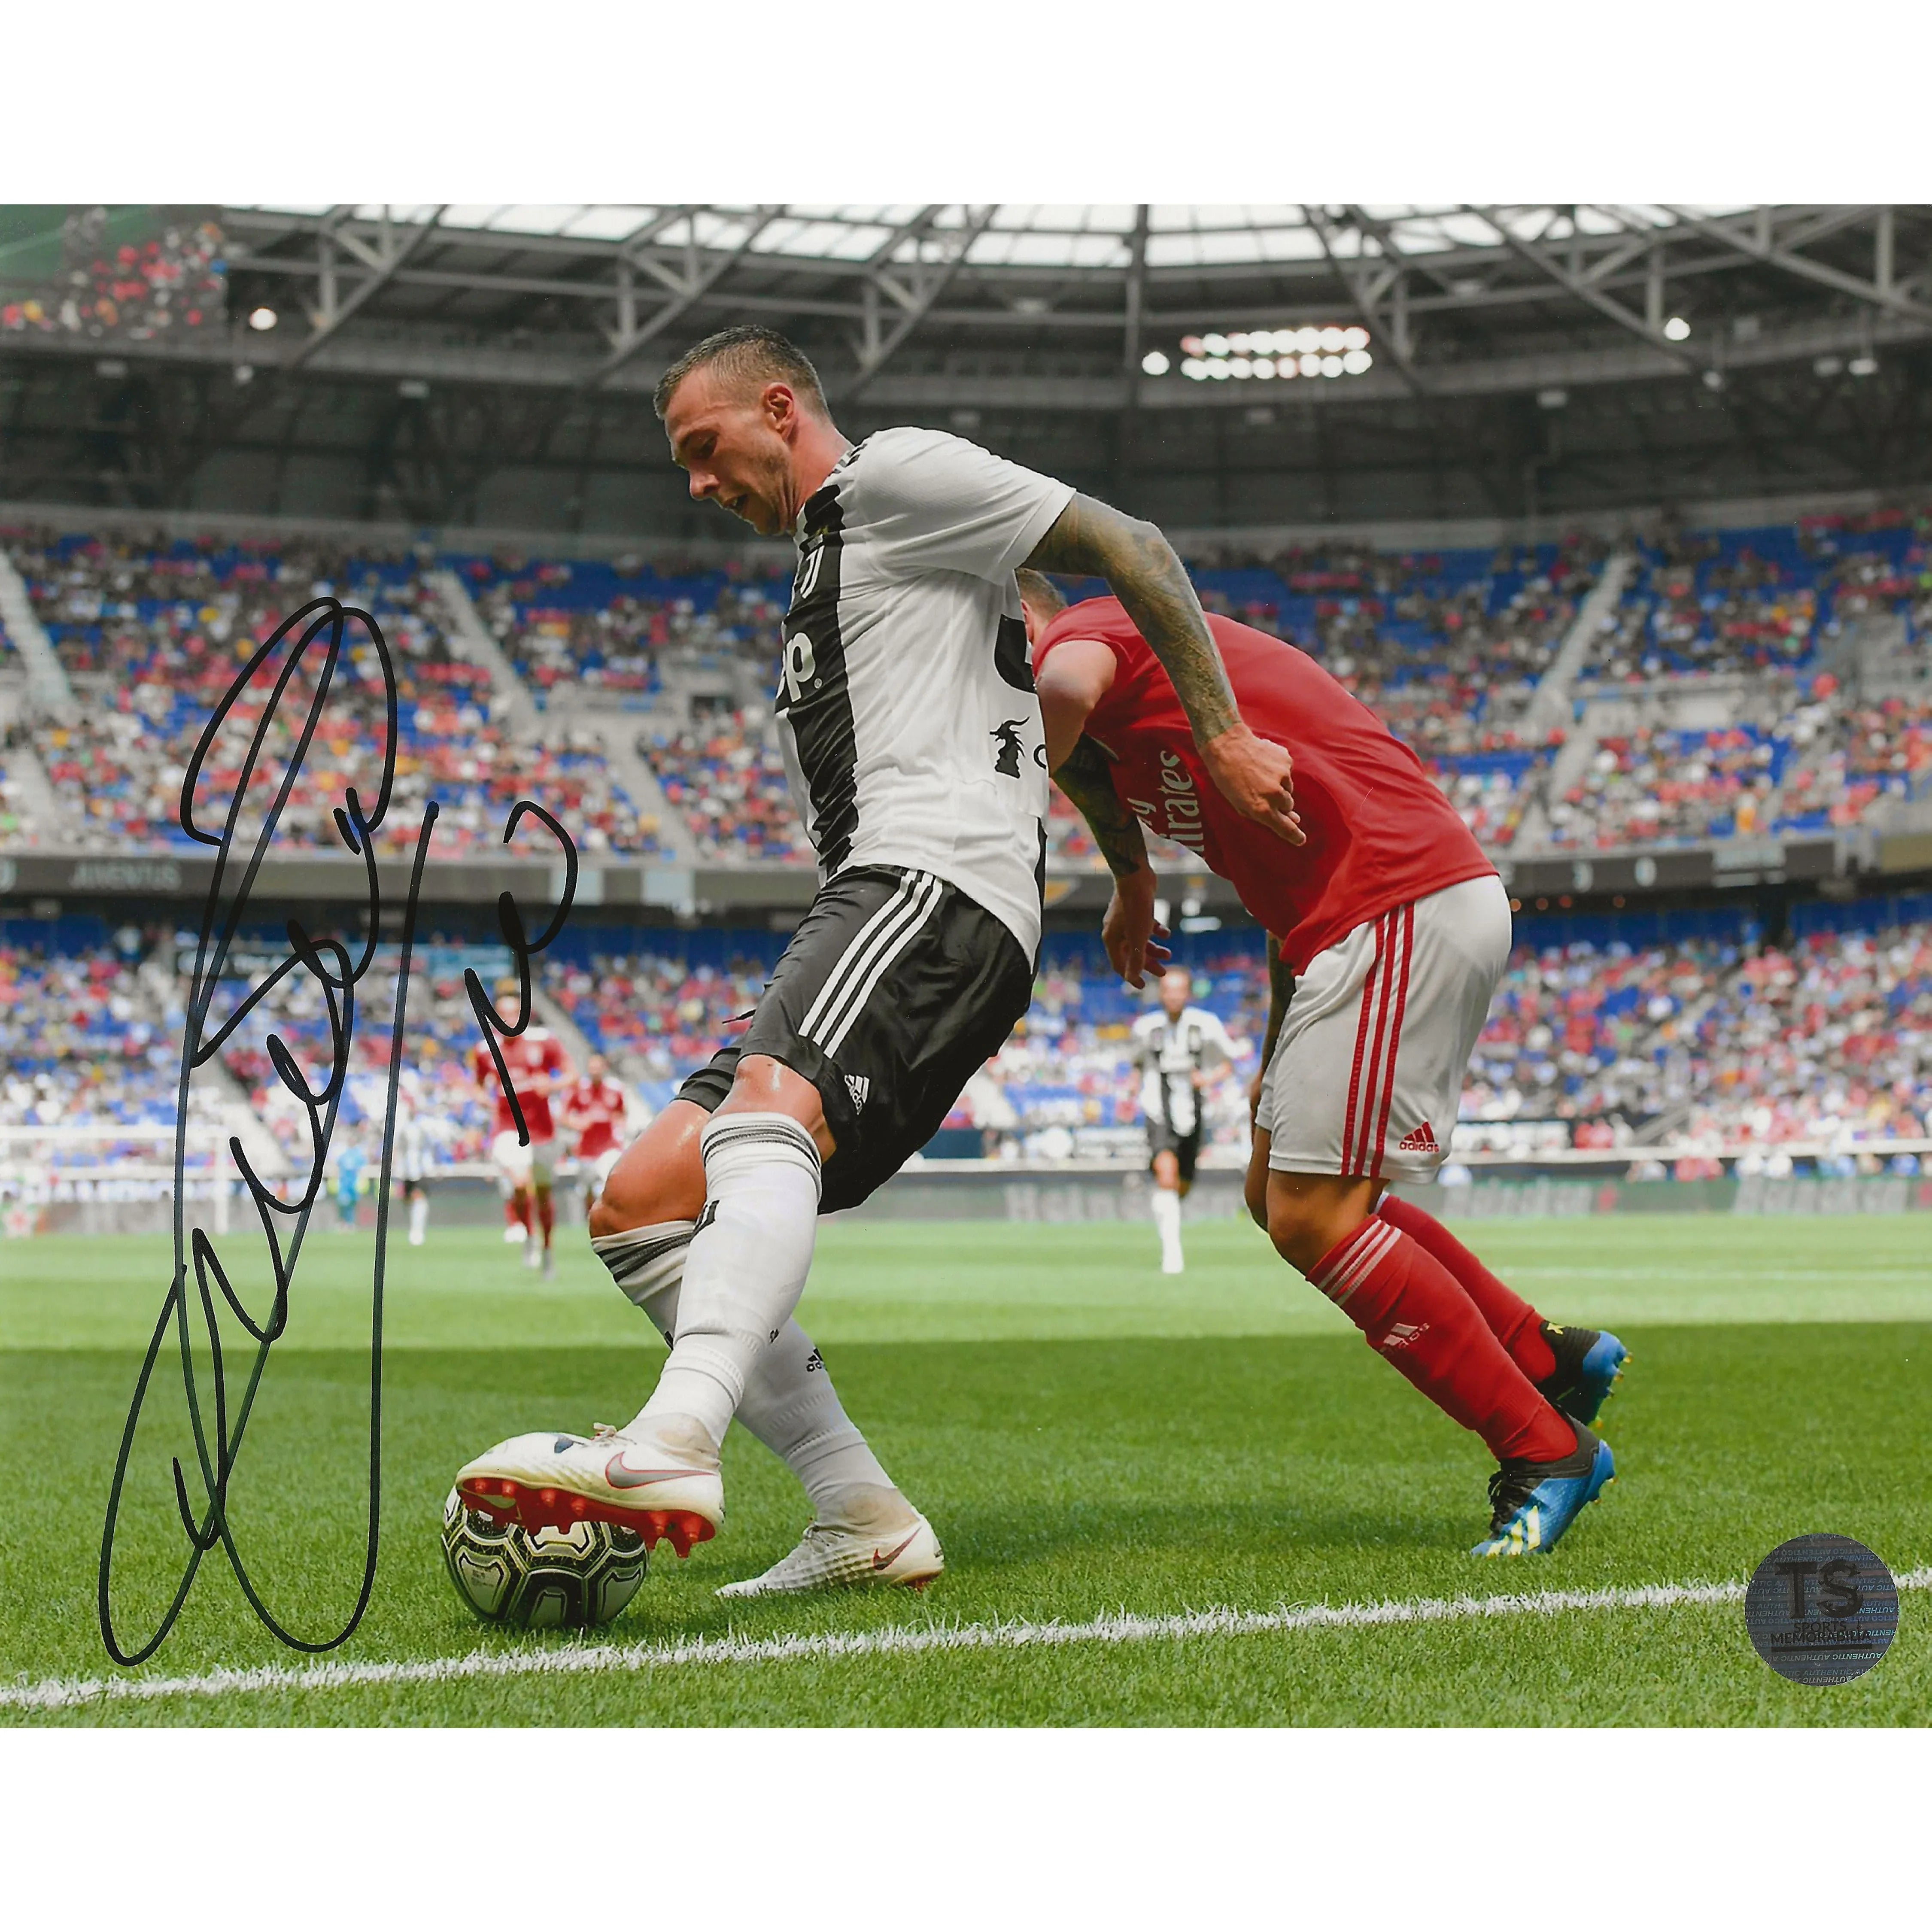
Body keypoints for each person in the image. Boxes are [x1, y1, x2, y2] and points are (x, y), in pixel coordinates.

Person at [456, 323, 1302, 1588]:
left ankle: (677, 1432)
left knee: (765, 1112)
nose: (696, 483)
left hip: (930, 886)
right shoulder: (850, 560)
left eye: (706, 449)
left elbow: (1132, 547)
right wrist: (1127, 874)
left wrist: (1223, 738)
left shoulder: (893, 480)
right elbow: (1045, 703)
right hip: (885, 899)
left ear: (781, 409)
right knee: (639, 1203)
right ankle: (862, 1514)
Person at [1019, 568, 1629, 1558]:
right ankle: (1543, 1353)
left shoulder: (1084, 629)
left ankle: (1546, 1446)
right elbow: (1275, 890)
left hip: (1393, 903)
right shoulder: (1134, 731)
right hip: (1348, 926)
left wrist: (990, 808)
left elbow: (1061, 683)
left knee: (1313, 1217)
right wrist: (1260, 1035)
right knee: (1275, 1195)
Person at [1132, 966, 1236, 1274]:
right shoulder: (1146, 1027)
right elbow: (1136, 1062)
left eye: (1179, 990)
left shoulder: (1206, 1025)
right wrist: (1134, 1085)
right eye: (1168, 990)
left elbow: (1228, 1064)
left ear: (1187, 993)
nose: (1173, 996)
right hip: (1157, 1110)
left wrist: (1206, 1079)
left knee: (1182, 1185)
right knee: (1166, 1174)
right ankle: (1172, 1255)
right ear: (1160, 994)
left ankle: (1167, 1216)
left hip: (1192, 1111)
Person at [469, 978, 573, 1278]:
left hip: (542, 1129)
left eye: (514, 1014)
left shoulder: (543, 1041)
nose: (508, 1020)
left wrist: (551, 1084)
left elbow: (570, 1074)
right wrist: (484, 1101)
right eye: (502, 1015)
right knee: (519, 1181)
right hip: (506, 1126)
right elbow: (476, 1086)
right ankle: (527, 1233)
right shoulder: (485, 1050)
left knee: (543, 1193)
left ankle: (547, 1248)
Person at [562, 1051, 632, 1221]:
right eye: (592, 1067)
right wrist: (577, 1123)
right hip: (586, 1150)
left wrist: (620, 1127)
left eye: (598, 1067)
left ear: (604, 1068)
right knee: (587, 1190)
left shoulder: (615, 1089)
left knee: (609, 1183)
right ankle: (591, 1220)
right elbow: (564, 1115)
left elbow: (622, 1113)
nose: (595, 1071)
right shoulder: (579, 1089)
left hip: (609, 1146)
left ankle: (610, 1221)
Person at [395, 1067, 433, 1247]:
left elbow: (429, 1146)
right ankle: (413, 1228)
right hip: (405, 1169)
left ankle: (418, 1231)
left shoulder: (423, 1125)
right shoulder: (402, 1125)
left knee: (420, 1197)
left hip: (421, 1168)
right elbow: (398, 1146)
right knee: (408, 1199)